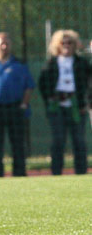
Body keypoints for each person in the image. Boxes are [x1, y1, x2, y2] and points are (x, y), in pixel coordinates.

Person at [38, 30, 91, 175]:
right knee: (58, 140)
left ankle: (81, 172)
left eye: (70, 43)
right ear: (57, 45)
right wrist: (50, 99)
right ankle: (56, 172)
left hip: (77, 106)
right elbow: (43, 84)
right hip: (57, 107)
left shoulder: (82, 63)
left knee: (79, 140)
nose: (67, 45)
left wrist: (86, 103)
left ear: (75, 44)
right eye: (63, 43)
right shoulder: (51, 63)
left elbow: (89, 84)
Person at [0, 32, 35, 177]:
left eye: (7, 43)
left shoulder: (19, 64)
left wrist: (23, 105)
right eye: (2, 43)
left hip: (15, 109)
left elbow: (29, 86)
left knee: (18, 144)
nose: (5, 46)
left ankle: (19, 173)